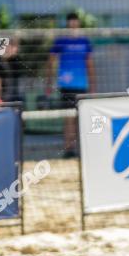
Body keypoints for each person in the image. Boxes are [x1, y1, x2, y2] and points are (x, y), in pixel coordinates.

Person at [45, 12, 95, 157]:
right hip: (66, 85)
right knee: (68, 117)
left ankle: (84, 149)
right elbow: (50, 61)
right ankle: (69, 149)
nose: (73, 25)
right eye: (70, 22)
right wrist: (48, 82)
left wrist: (93, 85)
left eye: (75, 22)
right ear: (67, 24)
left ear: (78, 23)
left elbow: (90, 64)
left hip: (82, 85)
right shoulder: (61, 41)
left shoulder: (84, 41)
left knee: (82, 117)